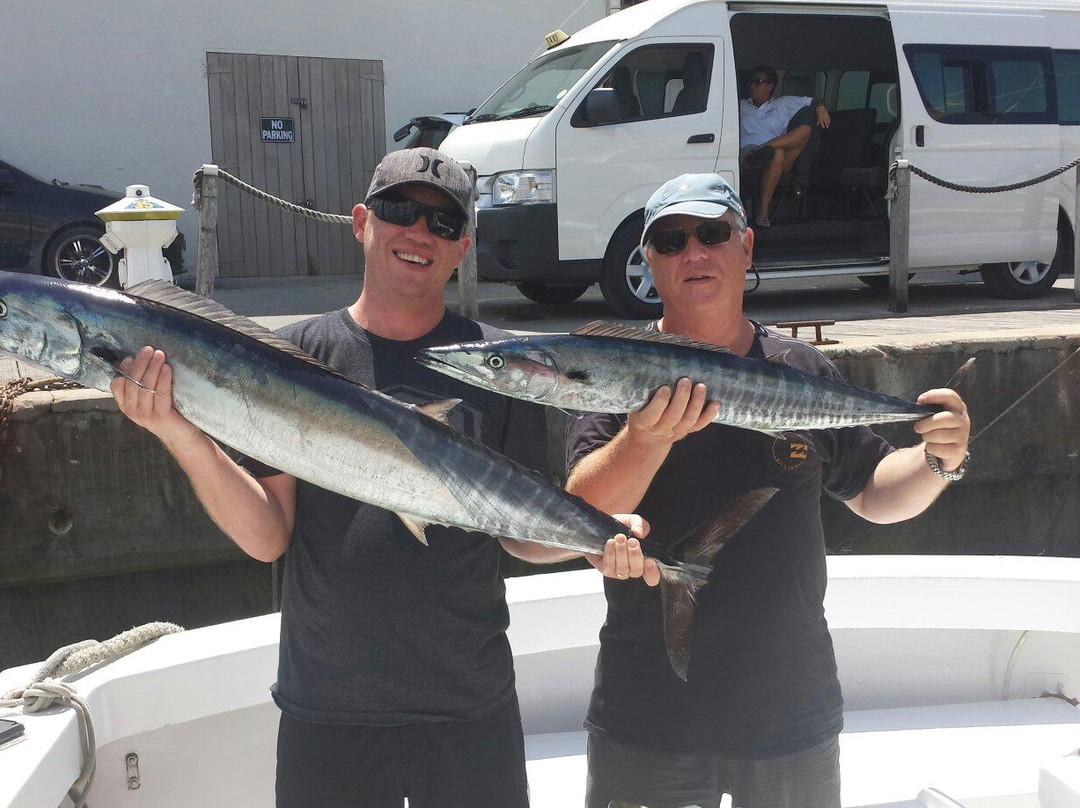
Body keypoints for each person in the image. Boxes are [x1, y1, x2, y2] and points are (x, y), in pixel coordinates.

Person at [110, 147, 653, 808]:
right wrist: (179, 431)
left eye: (443, 224)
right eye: (401, 211)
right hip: (328, 708)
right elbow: (268, 536)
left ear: (463, 248)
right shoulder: (295, 355)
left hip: (469, 706)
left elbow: (522, 537)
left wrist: (591, 536)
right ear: (362, 221)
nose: (419, 233)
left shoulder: (505, 365)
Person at [566, 173, 972, 808]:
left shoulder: (803, 371)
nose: (692, 253)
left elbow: (870, 490)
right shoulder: (618, 369)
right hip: (649, 713)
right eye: (670, 241)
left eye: (711, 233)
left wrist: (937, 460)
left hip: (791, 708)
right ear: (648, 260)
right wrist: (645, 440)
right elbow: (576, 510)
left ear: (745, 247)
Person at [739, 65, 831, 228]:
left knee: (802, 133)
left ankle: (764, 149)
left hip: (771, 159)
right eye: (751, 82)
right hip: (747, 154)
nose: (753, 86)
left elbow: (810, 100)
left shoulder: (783, 104)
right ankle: (764, 212)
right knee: (778, 153)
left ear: (771, 85)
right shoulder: (740, 105)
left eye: (759, 82)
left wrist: (820, 107)